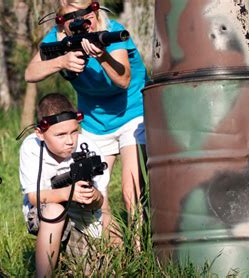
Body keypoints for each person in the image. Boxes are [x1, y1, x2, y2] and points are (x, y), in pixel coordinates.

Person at [25, 0, 148, 242]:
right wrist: (61, 61)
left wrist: (102, 57)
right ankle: (111, 251)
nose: (82, 22)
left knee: (131, 191)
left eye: (86, 14)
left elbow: (123, 80)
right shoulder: (56, 37)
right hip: (93, 121)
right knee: (96, 193)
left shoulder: (111, 31)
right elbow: (30, 73)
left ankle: (138, 250)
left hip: (132, 113)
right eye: (71, 19)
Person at [19, 93, 110, 277]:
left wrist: (92, 197)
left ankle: (65, 264)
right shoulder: (31, 147)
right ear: (40, 133)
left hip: (83, 218)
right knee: (54, 211)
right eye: (60, 134)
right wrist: (69, 193)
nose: (70, 141)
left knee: (96, 270)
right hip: (43, 211)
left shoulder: (88, 147)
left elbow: (102, 202)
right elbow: (34, 197)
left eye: (74, 132)